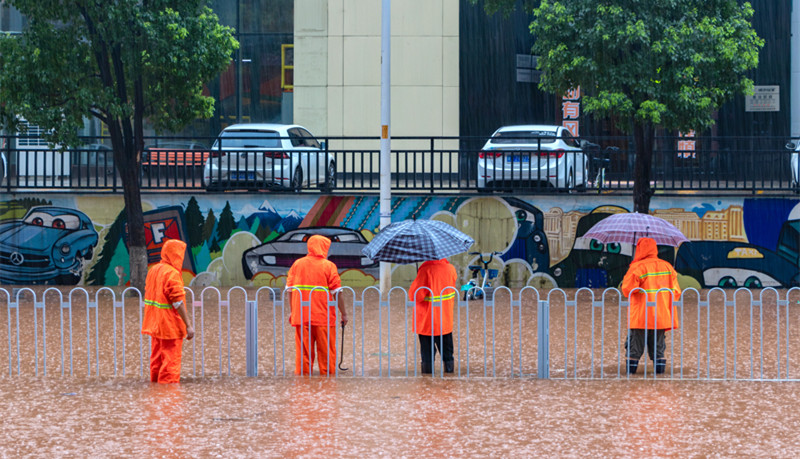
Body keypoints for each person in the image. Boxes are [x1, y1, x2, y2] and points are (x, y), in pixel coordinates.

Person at [286, 234, 349, 376]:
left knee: (303, 353)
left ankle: (303, 382)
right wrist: (344, 314)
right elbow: (337, 292)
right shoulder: (329, 266)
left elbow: (289, 290)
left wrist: (293, 311)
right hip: (323, 317)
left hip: (301, 316)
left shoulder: (297, 264)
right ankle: (327, 382)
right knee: (326, 353)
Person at [620, 237, 681, 375]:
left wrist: (627, 277)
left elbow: (627, 290)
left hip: (641, 316)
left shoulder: (637, 267)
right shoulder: (667, 267)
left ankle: (630, 379)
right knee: (659, 349)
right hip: (661, 315)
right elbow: (676, 292)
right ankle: (659, 378)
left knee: (634, 348)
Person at [141, 239, 195, 383]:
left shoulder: (153, 270)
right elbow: (177, 302)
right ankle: (168, 393)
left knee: (157, 359)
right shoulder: (172, 274)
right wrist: (188, 325)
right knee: (170, 364)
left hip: (155, 324)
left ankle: (155, 391)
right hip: (170, 326)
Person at [409, 258, 458, 374]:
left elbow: (415, 296)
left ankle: (427, 381)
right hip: (445, 319)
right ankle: (449, 379)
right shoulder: (451, 269)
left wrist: (417, 280)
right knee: (447, 353)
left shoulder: (425, 270)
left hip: (427, 321)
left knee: (427, 355)